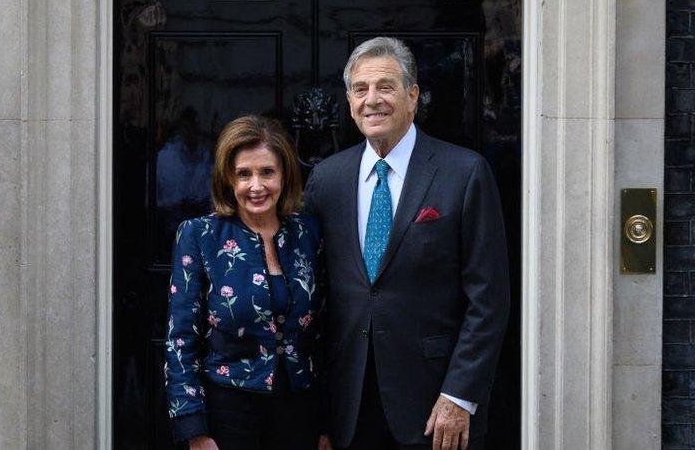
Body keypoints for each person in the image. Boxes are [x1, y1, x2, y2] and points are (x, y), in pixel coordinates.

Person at [305, 37, 510, 450]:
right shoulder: (326, 180)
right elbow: (318, 295)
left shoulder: (464, 173)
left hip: (435, 408)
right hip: (349, 408)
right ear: (348, 101)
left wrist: (459, 397)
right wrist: (317, 411)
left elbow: (489, 299)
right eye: (360, 90)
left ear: (412, 96)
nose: (372, 100)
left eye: (385, 87)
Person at [165, 115, 326, 450]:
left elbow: (325, 333)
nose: (256, 186)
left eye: (267, 172)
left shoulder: (307, 233)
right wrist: (193, 428)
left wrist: (327, 422)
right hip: (228, 412)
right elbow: (180, 338)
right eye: (244, 174)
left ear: (284, 175)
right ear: (228, 179)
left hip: (298, 410)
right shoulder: (200, 235)